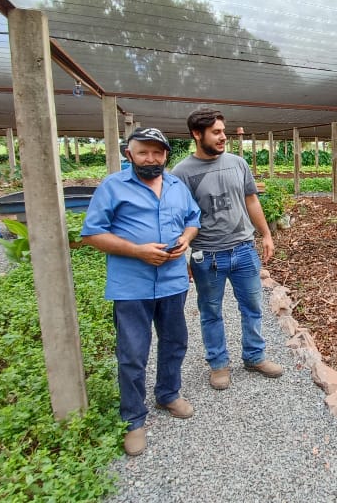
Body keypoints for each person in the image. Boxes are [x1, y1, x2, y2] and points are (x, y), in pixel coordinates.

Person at [82, 127, 201, 456]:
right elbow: (91, 234)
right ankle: (134, 419)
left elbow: (194, 218)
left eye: (157, 152)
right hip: (131, 285)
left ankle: (168, 393)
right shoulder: (113, 186)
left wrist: (186, 240)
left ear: (165, 155)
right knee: (133, 353)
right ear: (128, 153)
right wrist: (137, 251)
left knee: (175, 341)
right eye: (143, 151)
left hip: (173, 281)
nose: (151, 158)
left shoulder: (177, 186)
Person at [172, 107, 283, 390]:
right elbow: (179, 217)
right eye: (216, 133)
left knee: (253, 306)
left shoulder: (237, 163)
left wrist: (266, 234)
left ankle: (254, 356)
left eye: (223, 131)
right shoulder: (182, 173)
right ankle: (219, 364)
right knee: (211, 312)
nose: (223, 137)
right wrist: (183, 256)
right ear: (197, 134)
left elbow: (251, 200)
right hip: (206, 255)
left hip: (244, 249)